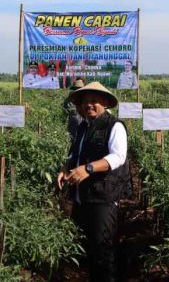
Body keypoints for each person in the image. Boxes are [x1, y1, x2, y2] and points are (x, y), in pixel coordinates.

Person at [57, 82, 132, 282]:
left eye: (94, 101)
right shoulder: (83, 126)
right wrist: (66, 168)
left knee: (103, 251)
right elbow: (77, 153)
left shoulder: (114, 126)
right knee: (87, 248)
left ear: (105, 102)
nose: (88, 105)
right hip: (83, 197)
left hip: (104, 197)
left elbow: (118, 157)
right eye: (84, 102)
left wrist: (88, 168)